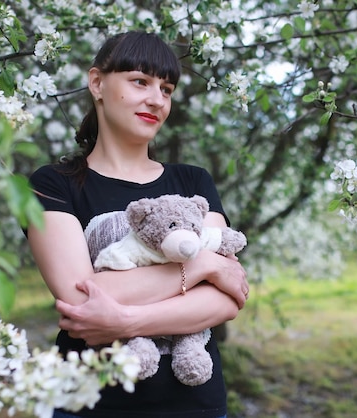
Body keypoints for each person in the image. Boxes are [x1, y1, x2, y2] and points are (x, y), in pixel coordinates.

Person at [26, 31, 249, 418]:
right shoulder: (53, 184)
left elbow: (226, 299)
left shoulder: (193, 182)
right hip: (88, 404)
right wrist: (205, 266)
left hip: (195, 406)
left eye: (166, 88)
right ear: (97, 83)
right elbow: (82, 299)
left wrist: (126, 319)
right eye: (140, 82)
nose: (156, 99)